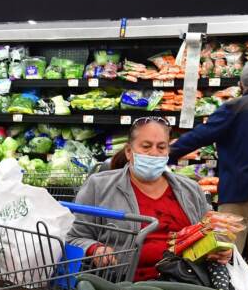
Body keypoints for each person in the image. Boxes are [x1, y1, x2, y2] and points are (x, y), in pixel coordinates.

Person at [169, 61, 248, 290]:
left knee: (227, 252)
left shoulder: (234, 108)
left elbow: (201, 136)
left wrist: (167, 153)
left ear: (240, 85)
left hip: (238, 190)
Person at [68, 117, 231, 281]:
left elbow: (209, 233)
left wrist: (219, 247)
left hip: (186, 282)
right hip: (124, 285)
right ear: (129, 151)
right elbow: (72, 237)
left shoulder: (191, 190)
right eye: (146, 147)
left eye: (161, 147)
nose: (154, 153)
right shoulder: (99, 186)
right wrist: (94, 249)